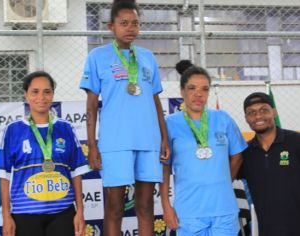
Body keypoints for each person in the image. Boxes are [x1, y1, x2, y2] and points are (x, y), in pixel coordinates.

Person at [80, 0, 170, 235]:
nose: (131, 28)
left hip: (148, 141)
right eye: (124, 23)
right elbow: (91, 105)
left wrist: (163, 138)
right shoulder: (97, 56)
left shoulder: (148, 57)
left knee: (147, 205)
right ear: (111, 26)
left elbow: (155, 100)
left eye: (135, 23)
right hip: (115, 142)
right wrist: (92, 143)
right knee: (115, 206)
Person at [0, 71, 90, 236]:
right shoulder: (13, 130)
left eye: (47, 91)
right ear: (26, 95)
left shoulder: (65, 128)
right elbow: (4, 177)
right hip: (25, 214)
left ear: (52, 95)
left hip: (63, 212)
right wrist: (6, 216)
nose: (42, 97)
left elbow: (76, 173)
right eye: (35, 92)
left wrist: (80, 212)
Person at [160, 60, 247, 236]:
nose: (198, 94)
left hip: (223, 208)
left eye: (204, 89)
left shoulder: (223, 118)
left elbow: (237, 155)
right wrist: (166, 206)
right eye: (192, 88)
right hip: (189, 211)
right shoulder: (169, 124)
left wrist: (223, 181)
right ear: (182, 91)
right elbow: (164, 167)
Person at [241, 92, 300, 236]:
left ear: (274, 112)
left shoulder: (296, 142)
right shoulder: (245, 153)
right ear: (246, 119)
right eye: (252, 112)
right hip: (268, 230)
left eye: (263, 110)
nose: (258, 116)